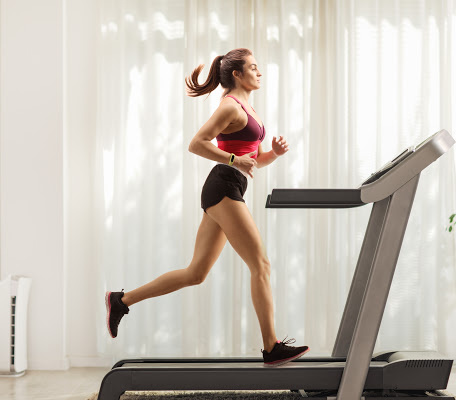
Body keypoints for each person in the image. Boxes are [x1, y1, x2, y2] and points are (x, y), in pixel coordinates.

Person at [105, 48, 309, 367]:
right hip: (224, 186)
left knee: (196, 273)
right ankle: (272, 347)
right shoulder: (230, 106)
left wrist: (273, 155)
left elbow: (250, 160)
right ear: (237, 74)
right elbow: (197, 142)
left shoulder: (246, 107)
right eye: (253, 68)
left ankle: (121, 300)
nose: (259, 72)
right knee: (261, 265)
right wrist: (231, 158)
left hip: (228, 185)